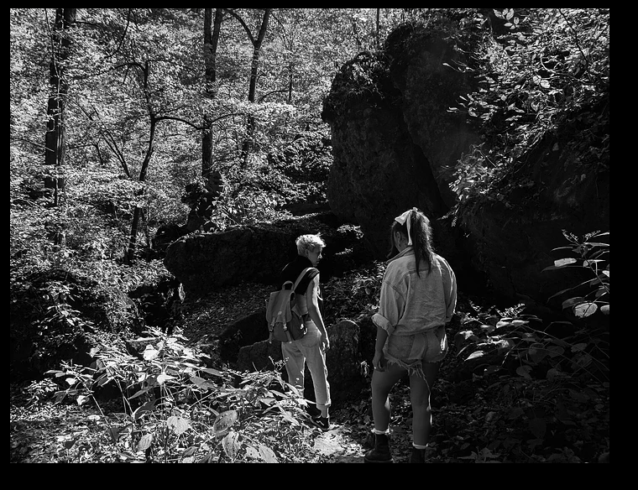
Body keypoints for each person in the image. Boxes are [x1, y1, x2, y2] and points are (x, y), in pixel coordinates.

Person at [364, 208, 457, 463]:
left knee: (379, 388)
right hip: (434, 342)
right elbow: (449, 309)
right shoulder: (442, 264)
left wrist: (377, 352)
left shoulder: (397, 267)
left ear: (399, 237)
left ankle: (381, 448)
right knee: (421, 400)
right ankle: (418, 457)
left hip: (401, 344)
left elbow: (386, 319)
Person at [279, 234, 331, 430]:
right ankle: (324, 418)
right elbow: (312, 305)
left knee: (294, 375)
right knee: (318, 372)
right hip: (307, 328)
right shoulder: (312, 273)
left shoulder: (286, 269)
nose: (320, 256)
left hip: (287, 328)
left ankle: (295, 417)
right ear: (308, 251)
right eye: (317, 252)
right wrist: (324, 332)